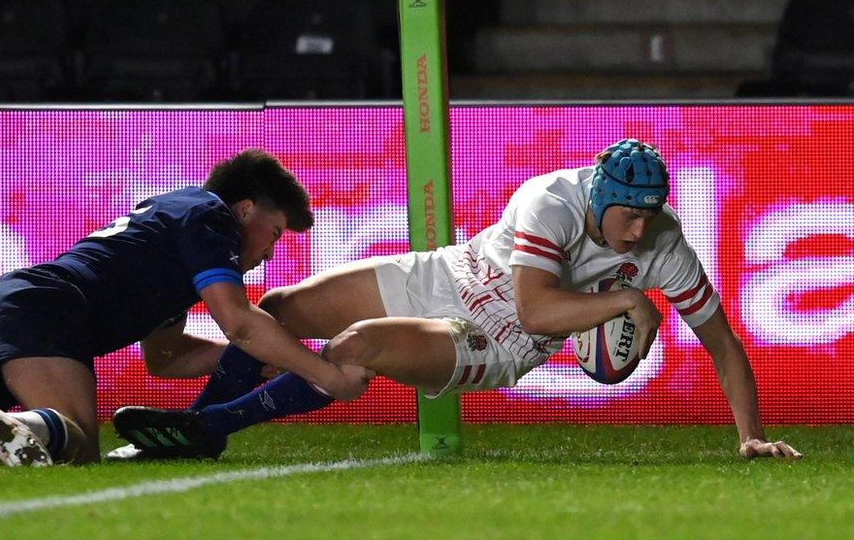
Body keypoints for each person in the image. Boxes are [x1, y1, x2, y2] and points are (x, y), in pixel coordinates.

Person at [110, 139, 802, 462]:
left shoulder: (665, 246)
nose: (641, 229)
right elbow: (543, 297)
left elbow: (721, 344)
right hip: (447, 272)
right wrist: (629, 305)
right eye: (630, 215)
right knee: (281, 308)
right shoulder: (550, 200)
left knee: (358, 349)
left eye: (653, 214)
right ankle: (188, 435)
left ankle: (212, 430)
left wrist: (750, 434)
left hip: (498, 339)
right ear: (599, 197)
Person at [0, 149, 369, 466]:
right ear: (245, 208)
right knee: (79, 441)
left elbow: (166, 358)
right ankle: (33, 425)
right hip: (46, 310)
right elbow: (241, 321)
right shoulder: (209, 215)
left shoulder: (171, 239)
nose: (270, 252)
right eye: (273, 234)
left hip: (2, 305)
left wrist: (261, 360)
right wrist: (325, 374)